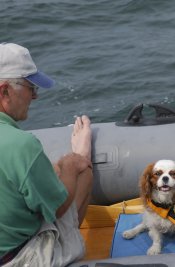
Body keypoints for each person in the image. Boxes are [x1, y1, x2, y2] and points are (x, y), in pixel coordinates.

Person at [0, 43, 93, 266]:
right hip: (16, 259)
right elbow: (59, 207)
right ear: (4, 91)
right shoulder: (21, 145)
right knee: (84, 172)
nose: (35, 97)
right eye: (30, 87)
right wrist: (75, 161)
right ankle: (69, 246)